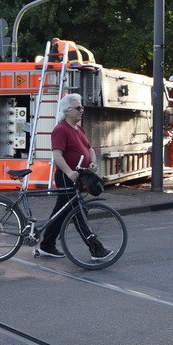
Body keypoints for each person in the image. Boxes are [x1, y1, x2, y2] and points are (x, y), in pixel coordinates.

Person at [38, 93, 111, 261]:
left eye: (82, 107)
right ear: (67, 110)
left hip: (78, 176)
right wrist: (69, 172)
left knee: (61, 212)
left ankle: (47, 245)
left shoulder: (79, 129)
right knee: (76, 212)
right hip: (66, 177)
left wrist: (92, 162)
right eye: (78, 108)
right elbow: (57, 155)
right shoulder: (60, 129)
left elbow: (90, 149)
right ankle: (95, 249)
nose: (82, 110)